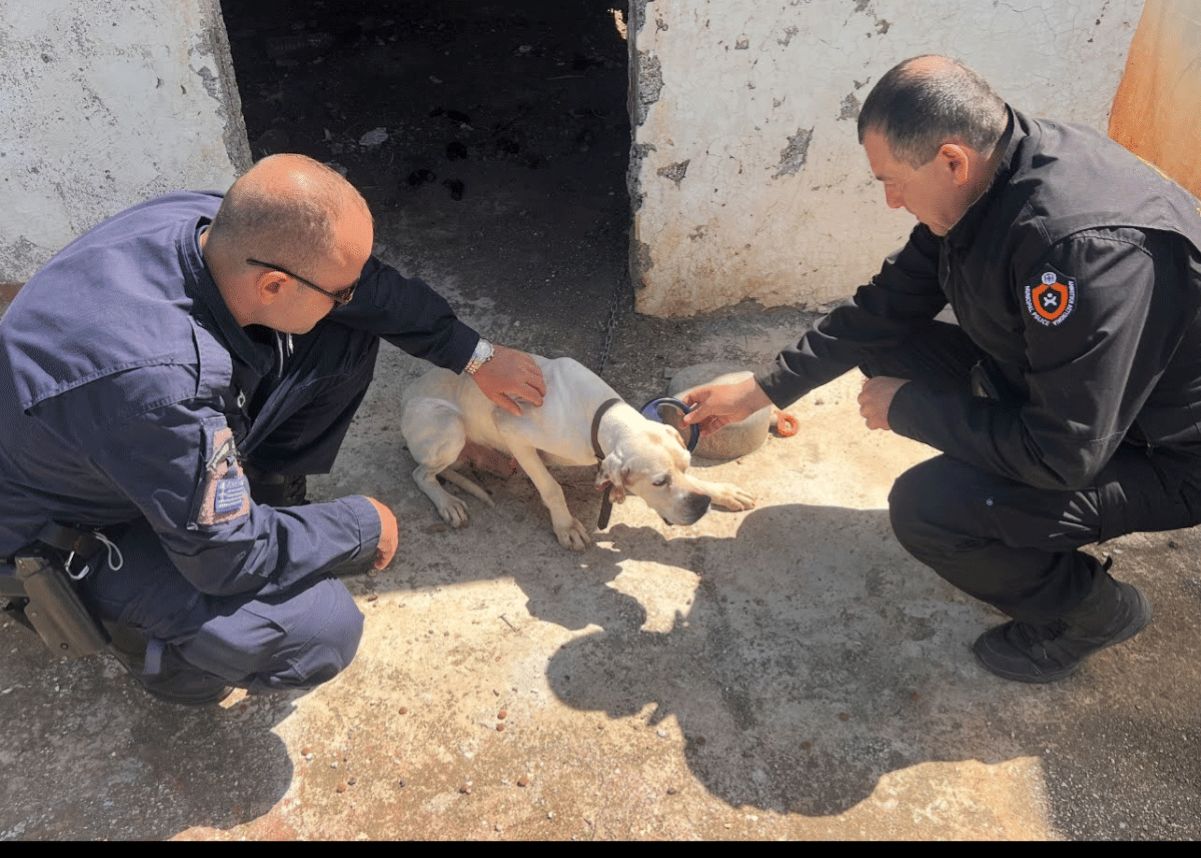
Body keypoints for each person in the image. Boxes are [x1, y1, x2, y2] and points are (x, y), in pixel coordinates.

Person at [682, 55, 1201, 684]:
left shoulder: (1080, 255)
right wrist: (764, 390)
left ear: (952, 159)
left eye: (893, 182)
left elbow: (1063, 454)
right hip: (1077, 402)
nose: (891, 201)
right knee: (886, 345)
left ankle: (1092, 612)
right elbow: (888, 306)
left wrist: (910, 409)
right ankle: (1007, 510)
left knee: (930, 510)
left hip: (1160, 454)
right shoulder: (993, 172)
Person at [0, 154, 546, 704]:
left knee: (347, 328)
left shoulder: (211, 223)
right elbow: (225, 558)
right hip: (66, 527)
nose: (348, 295)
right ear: (274, 285)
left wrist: (477, 356)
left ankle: (261, 492)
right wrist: (360, 525)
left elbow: (369, 290)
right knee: (319, 630)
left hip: (110, 446)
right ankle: (163, 658)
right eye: (340, 290)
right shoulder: (164, 389)